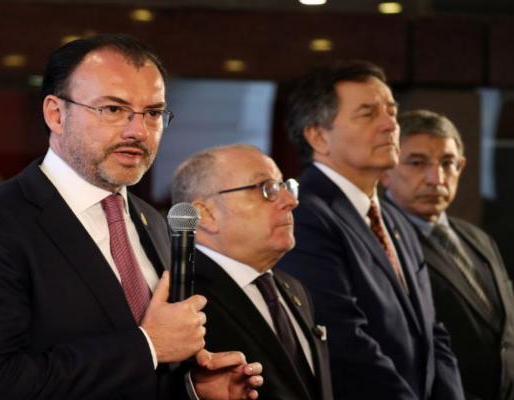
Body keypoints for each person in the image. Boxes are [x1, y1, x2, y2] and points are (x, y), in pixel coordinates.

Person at [0, 34, 263, 400]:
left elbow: (154, 367)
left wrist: (192, 388)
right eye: (112, 109)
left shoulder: (151, 222)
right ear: (55, 114)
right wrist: (147, 346)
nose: (137, 131)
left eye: (153, 113)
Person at [276, 61, 463, 400]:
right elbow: (343, 342)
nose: (391, 124)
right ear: (318, 135)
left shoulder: (394, 218)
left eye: (391, 111)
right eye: (368, 113)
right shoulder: (301, 215)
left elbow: (432, 331)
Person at [171, 144, 333, 400]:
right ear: (206, 214)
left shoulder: (292, 287)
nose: (291, 201)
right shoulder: (182, 297)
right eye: (266, 189)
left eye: (285, 186)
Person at [381, 109, 514, 400]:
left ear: (462, 167)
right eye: (417, 163)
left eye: (447, 163)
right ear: (386, 170)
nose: (435, 178)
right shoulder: (380, 241)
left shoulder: (478, 237)